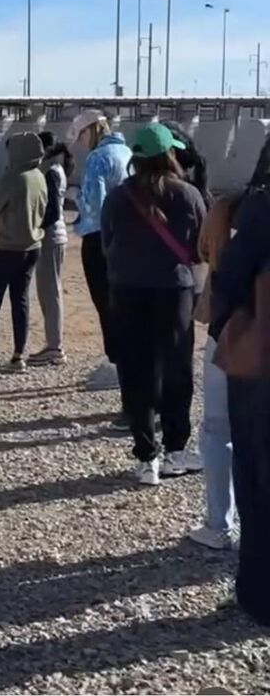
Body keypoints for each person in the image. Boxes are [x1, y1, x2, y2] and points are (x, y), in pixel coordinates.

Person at [101, 124, 206, 486]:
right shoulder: (189, 195)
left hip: (128, 291)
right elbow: (200, 250)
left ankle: (147, 458)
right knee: (177, 370)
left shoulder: (117, 197)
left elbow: (107, 243)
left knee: (137, 373)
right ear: (170, 154)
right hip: (174, 292)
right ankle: (177, 450)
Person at [211, 140, 270, 625]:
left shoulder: (262, 206)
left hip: (263, 370)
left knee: (256, 478)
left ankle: (259, 595)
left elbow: (229, 282)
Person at [187, 189, 240, 550]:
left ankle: (220, 523)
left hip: (233, 330)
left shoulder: (234, 207)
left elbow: (206, 254)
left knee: (219, 428)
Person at [71, 109, 132, 397]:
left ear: (90, 131)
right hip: (127, 238)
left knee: (105, 303)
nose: (80, 142)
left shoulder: (97, 159)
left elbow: (95, 205)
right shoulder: (127, 153)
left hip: (98, 237)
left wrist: (77, 199)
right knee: (124, 302)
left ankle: (116, 362)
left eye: (80, 135)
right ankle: (128, 362)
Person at [0, 133, 47, 372]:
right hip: (32, 246)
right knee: (21, 300)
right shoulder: (40, 176)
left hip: (7, 247)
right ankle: (18, 356)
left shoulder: (13, 177)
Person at [31, 131, 74, 366]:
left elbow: (52, 211)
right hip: (52, 237)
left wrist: (34, 226)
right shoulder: (55, 170)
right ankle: (52, 344)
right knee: (48, 292)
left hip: (50, 237)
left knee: (50, 292)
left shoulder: (51, 172)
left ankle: (54, 346)